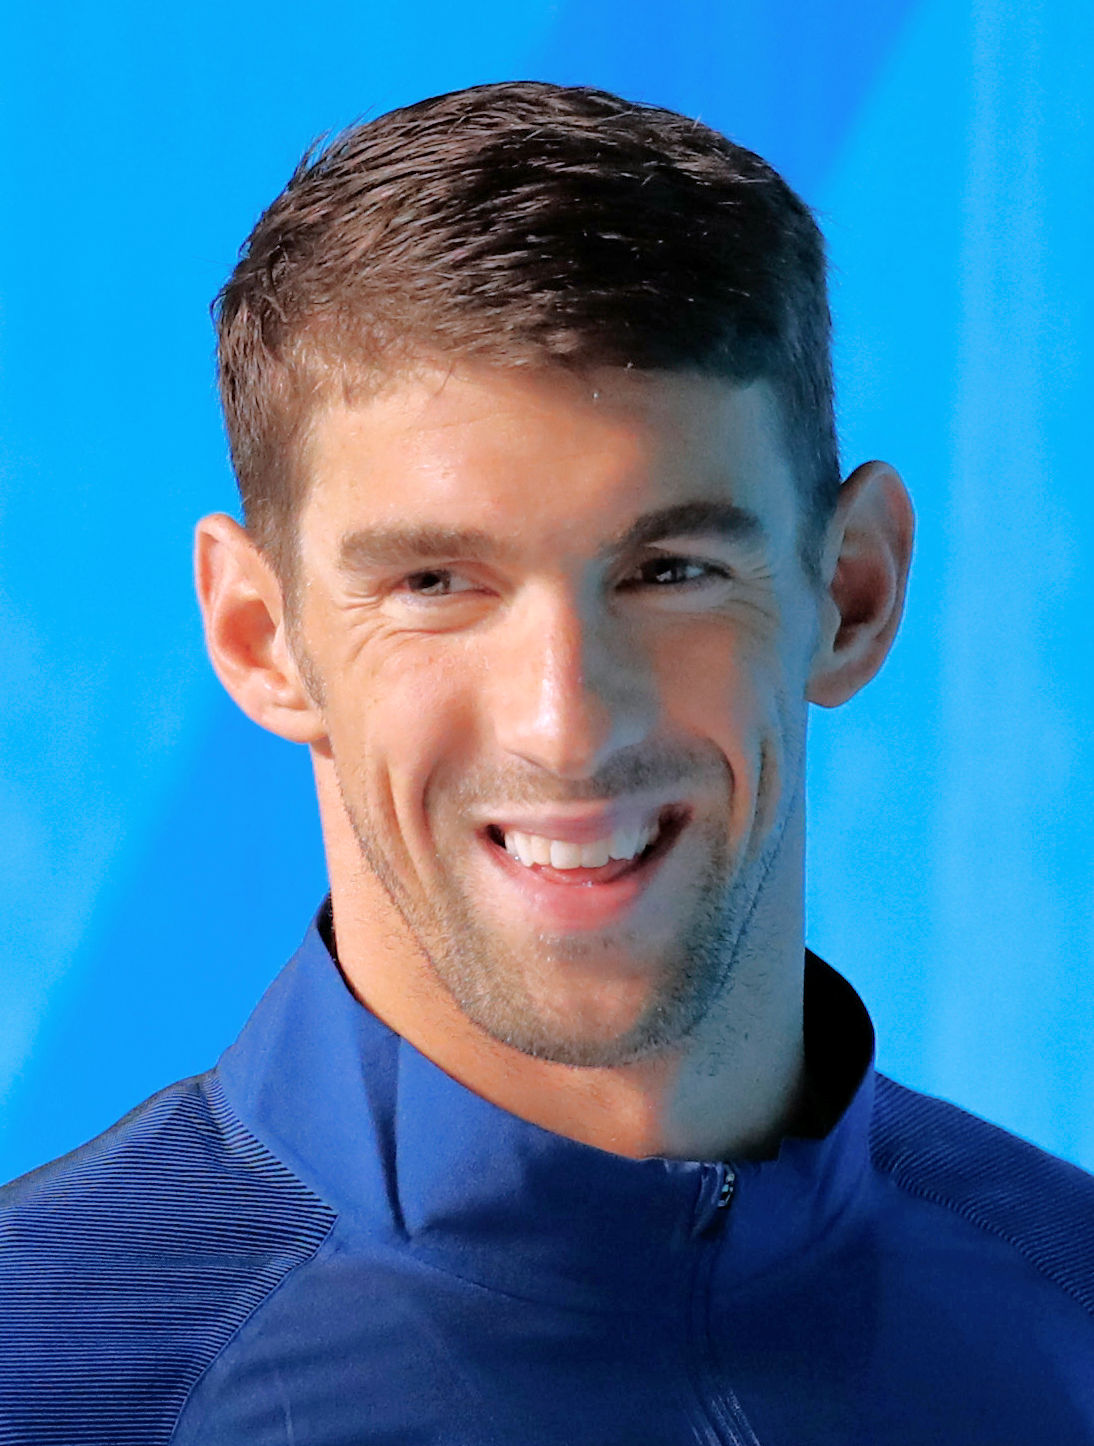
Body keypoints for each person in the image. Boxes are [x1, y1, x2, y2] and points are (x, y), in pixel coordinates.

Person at [1, 79, 1091, 1444]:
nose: (566, 722)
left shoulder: (1069, 1309)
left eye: (668, 569)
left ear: (852, 591)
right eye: (436, 580)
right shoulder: (39, 1367)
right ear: (260, 636)